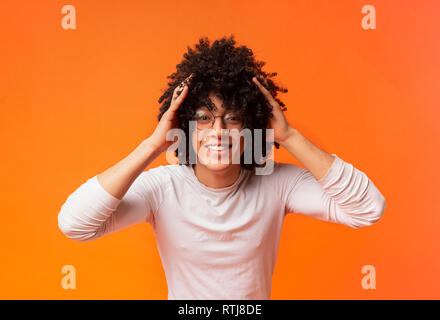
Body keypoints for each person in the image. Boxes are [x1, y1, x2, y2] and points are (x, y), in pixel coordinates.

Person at [58, 35, 386, 300]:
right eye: (203, 118)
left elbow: (368, 208)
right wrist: (153, 146)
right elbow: (75, 224)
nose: (217, 131)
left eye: (232, 118)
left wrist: (288, 136)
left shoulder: (277, 183)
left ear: (252, 126)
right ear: (184, 124)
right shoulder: (162, 187)